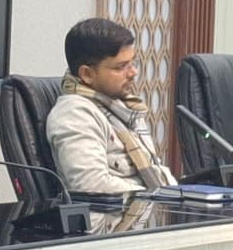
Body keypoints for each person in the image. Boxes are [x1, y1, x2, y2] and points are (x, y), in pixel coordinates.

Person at [47, 18, 176, 193]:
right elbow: (92, 185)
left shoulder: (124, 107)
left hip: (154, 204)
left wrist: (182, 195)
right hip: (120, 210)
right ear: (87, 74)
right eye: (120, 67)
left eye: (132, 63)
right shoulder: (75, 114)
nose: (133, 72)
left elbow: (155, 169)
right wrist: (159, 197)